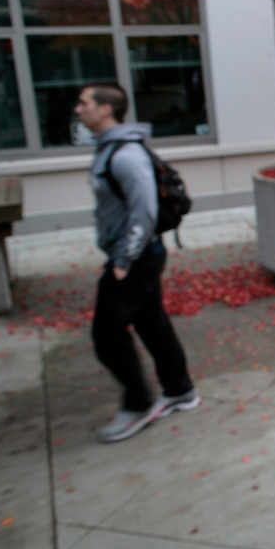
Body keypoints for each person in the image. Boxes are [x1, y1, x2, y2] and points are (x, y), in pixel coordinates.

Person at [73, 83, 199, 442]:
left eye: (84, 103)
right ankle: (180, 390)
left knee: (107, 334)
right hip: (136, 255)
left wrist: (124, 259)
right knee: (152, 323)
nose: (78, 109)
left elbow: (143, 210)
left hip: (135, 258)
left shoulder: (125, 154)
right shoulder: (110, 148)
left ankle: (138, 405)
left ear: (105, 110)